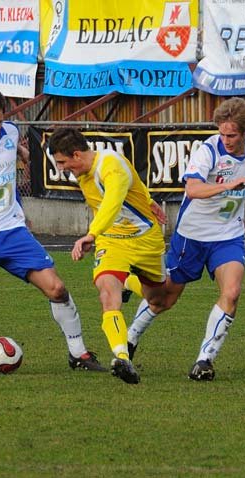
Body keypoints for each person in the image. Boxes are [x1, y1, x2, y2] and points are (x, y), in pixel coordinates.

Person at [0, 88, 105, 375]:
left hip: (12, 231)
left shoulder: (10, 132)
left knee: (57, 288)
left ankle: (79, 354)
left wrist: (23, 153)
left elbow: (13, 146)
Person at [126, 97, 245, 381]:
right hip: (193, 235)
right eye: (222, 133)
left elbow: (241, 189)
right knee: (163, 300)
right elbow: (193, 189)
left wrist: (240, 213)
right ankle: (130, 338)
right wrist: (228, 185)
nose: (225, 139)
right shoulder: (208, 150)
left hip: (228, 237)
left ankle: (205, 360)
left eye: (232, 134)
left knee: (232, 293)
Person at [46, 127, 168, 385]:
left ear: (77, 155)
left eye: (63, 162)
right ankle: (122, 357)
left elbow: (114, 198)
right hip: (111, 241)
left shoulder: (110, 165)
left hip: (145, 239)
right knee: (107, 294)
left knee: (158, 299)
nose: (62, 168)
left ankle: (129, 282)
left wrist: (91, 233)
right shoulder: (83, 173)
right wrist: (146, 198)